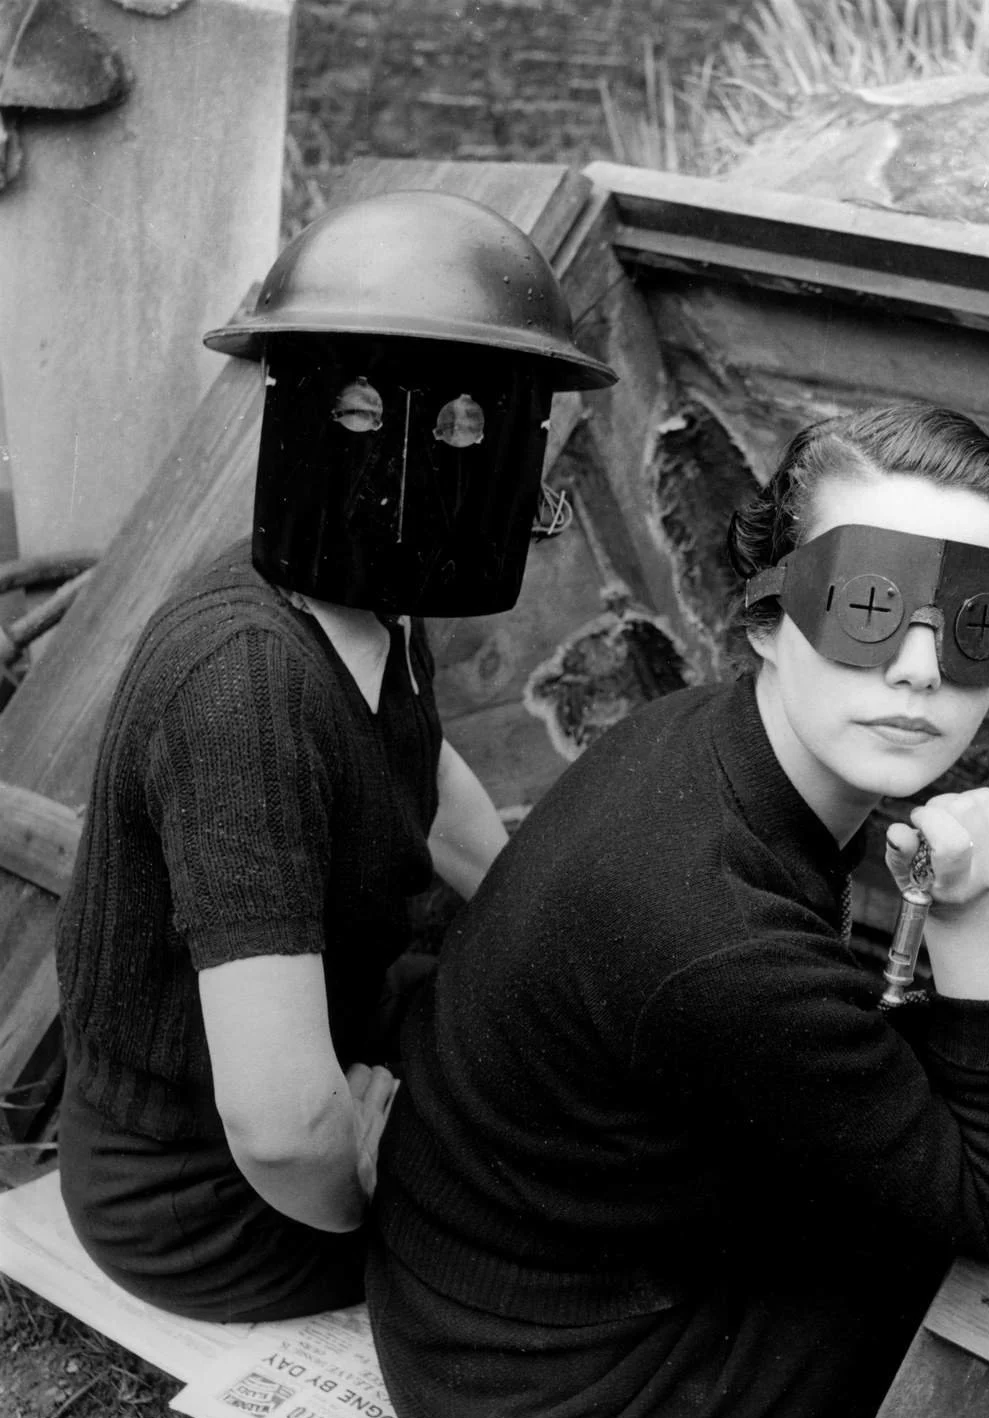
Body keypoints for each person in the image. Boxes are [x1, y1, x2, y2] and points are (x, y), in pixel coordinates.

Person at [368, 401, 989, 1418]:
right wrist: (973, 904)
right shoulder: (717, 933)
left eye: (974, 624)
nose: (920, 671)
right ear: (764, 618)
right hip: (562, 1401)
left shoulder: (708, 737)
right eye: (867, 608)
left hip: (486, 1292)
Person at [53, 190, 617, 1323]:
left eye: (477, 427)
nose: (443, 460)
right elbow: (274, 1120)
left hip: (326, 1046)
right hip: (202, 1192)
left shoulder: (370, 588)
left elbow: (422, 764)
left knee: (565, 1068)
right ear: (304, 415)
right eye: (371, 414)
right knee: (572, 1208)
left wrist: (541, 934)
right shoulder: (245, 684)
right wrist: (374, 1179)